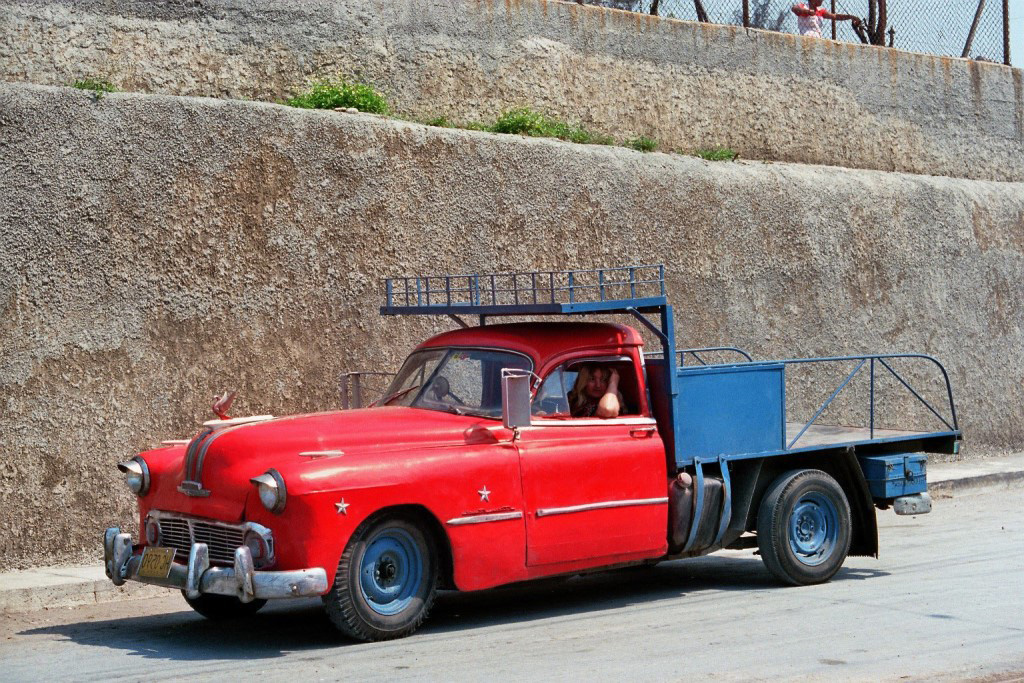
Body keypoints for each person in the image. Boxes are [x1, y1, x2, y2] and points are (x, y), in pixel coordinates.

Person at [791, 0, 861, 39]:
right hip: (805, 37)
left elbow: (835, 16)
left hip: (818, 38)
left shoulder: (820, 10)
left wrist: (850, 17)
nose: (822, 0)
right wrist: (807, 12)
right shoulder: (804, 6)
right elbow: (794, 9)